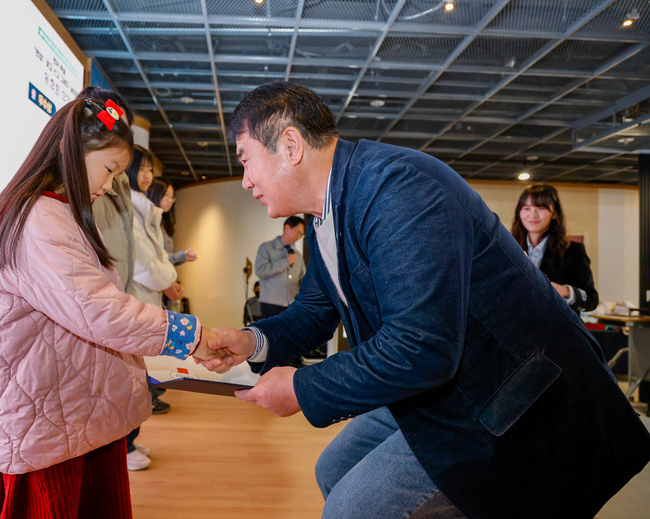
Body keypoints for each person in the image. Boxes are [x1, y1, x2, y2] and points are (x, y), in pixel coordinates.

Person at [201, 82, 650, 519]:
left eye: (245, 160)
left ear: (290, 145)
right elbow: (314, 311)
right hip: (440, 385)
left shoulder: (399, 188)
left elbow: (421, 346)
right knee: (333, 469)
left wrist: (302, 387)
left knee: (350, 510)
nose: (245, 181)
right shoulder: (324, 216)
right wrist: (250, 341)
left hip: (506, 395)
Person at [0, 97, 221, 518]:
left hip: (71, 407)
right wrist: (189, 335)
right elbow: (99, 311)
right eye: (109, 169)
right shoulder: (40, 220)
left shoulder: (60, 212)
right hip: (50, 414)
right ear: (74, 152)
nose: (109, 185)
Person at [76, 87, 150, 471]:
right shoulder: (71, 193)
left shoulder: (114, 181)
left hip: (118, 290)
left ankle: (123, 443)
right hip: (100, 297)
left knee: (123, 382)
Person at [128, 147, 179, 415]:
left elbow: (157, 257)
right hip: (142, 293)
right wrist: (169, 281)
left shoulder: (145, 209)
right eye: (142, 169)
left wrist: (169, 279)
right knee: (138, 361)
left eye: (150, 169)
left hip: (153, 291)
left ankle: (146, 405)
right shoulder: (131, 207)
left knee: (146, 357)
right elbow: (145, 263)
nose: (147, 175)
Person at [511, 183, 598, 312]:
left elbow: (591, 300)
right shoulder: (509, 248)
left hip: (555, 323)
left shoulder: (572, 250)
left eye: (541, 208)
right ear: (519, 212)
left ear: (554, 213)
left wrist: (566, 291)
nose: (533, 215)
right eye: (527, 208)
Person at [255, 216, 306, 319]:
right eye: (298, 232)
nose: (298, 237)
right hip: (271, 304)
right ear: (287, 228)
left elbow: (303, 277)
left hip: (292, 305)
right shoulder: (266, 248)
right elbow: (260, 270)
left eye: (301, 235)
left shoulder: (297, 254)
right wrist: (285, 262)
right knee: (271, 330)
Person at [147, 177, 197, 266]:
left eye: (172, 197)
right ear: (155, 194)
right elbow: (154, 258)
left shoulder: (164, 223)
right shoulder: (148, 222)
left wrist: (181, 258)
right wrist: (178, 257)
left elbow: (165, 263)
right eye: (166, 195)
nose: (170, 200)